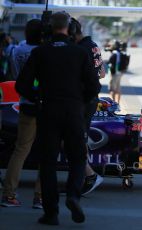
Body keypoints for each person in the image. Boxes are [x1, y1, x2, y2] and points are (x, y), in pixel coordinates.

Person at [15, 11, 100, 225]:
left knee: (48, 163)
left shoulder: (41, 53)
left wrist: (38, 98)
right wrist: (80, 101)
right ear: (70, 30)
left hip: (48, 111)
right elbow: (94, 86)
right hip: (73, 112)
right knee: (78, 158)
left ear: (49, 29)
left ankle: (51, 213)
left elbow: (21, 85)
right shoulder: (80, 53)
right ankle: (73, 195)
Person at [1, 19, 43, 209]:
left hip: (24, 102)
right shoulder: (45, 51)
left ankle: (9, 193)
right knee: (46, 153)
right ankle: (40, 196)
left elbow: (14, 74)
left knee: (20, 150)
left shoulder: (16, 50)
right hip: (45, 105)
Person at [70, 17, 104, 195]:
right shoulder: (93, 44)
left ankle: (89, 176)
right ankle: (84, 175)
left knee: (76, 140)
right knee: (77, 139)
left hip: (84, 100)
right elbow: (103, 73)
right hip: (92, 98)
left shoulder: (81, 48)